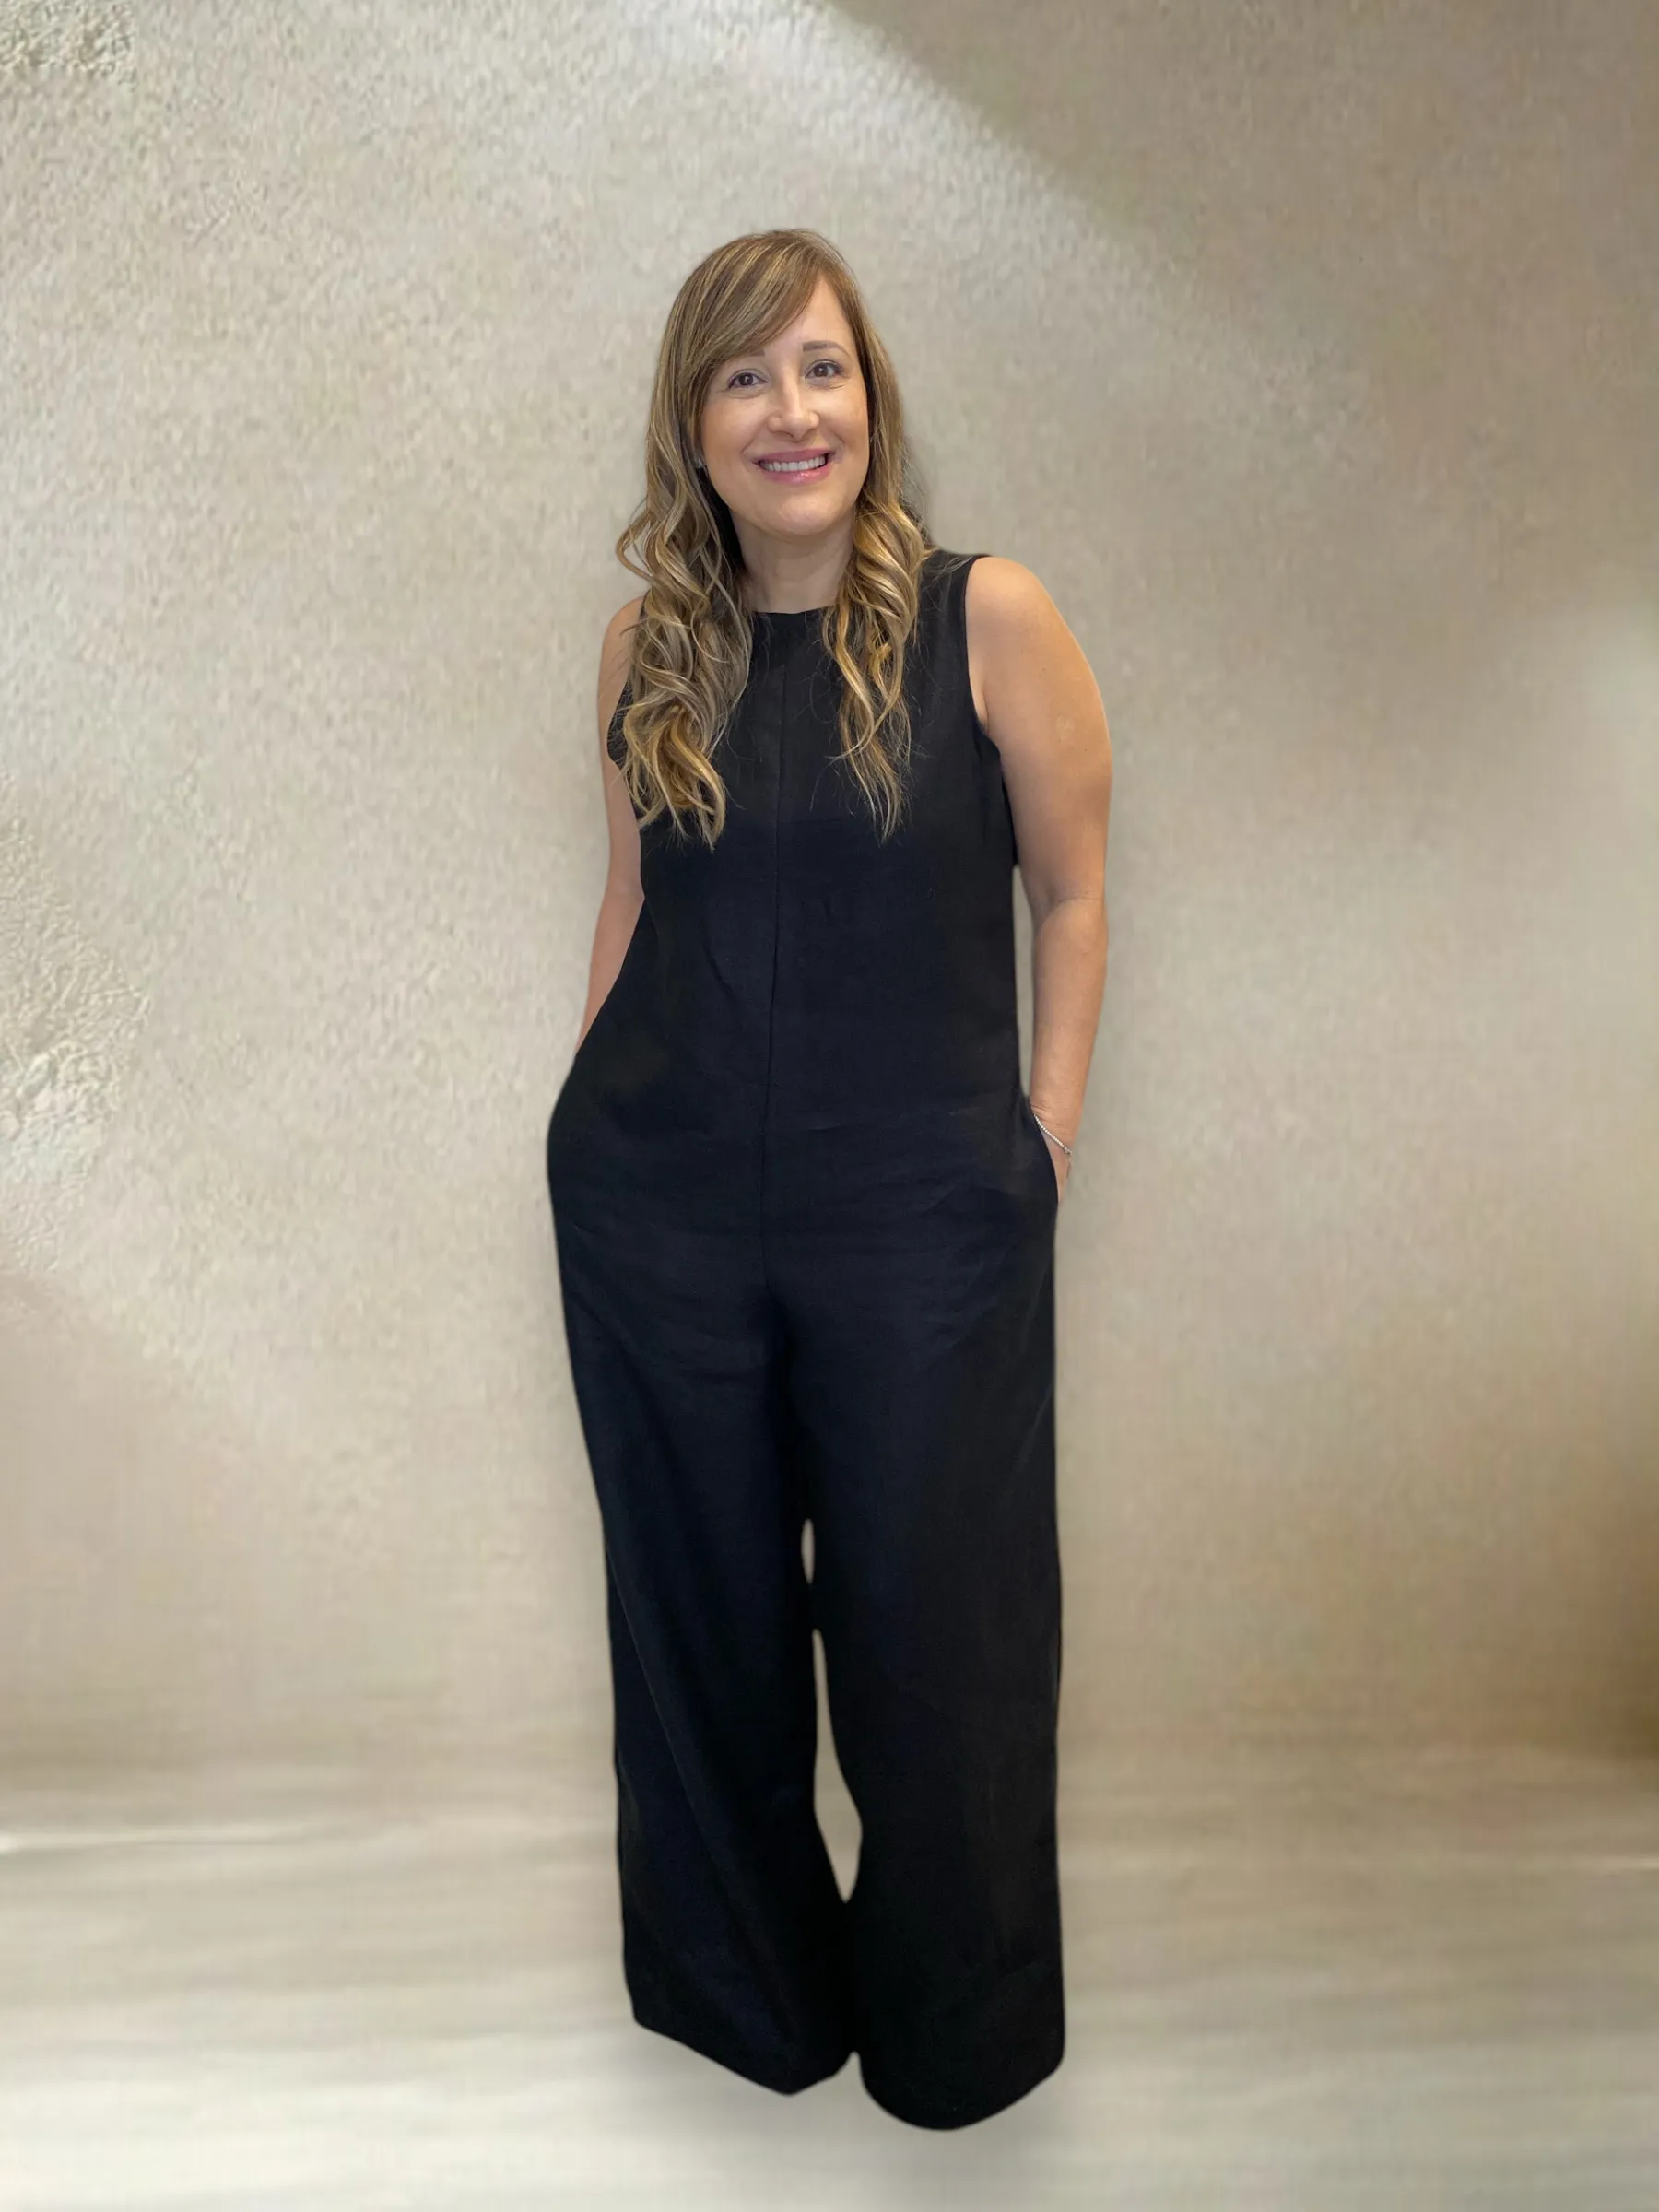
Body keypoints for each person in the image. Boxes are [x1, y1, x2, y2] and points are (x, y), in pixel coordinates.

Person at [545, 228, 1112, 2130]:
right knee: (695, 1619)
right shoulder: (646, 651)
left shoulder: (987, 619)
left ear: (870, 398)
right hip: (661, 1207)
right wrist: (583, 1117)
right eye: (744, 377)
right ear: (692, 425)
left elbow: (1075, 892)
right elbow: (637, 898)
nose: (790, 412)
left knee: (940, 1631)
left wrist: (1039, 1142)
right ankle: (752, 2017)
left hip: (924, 1222)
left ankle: (957, 2042)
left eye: (820, 368)